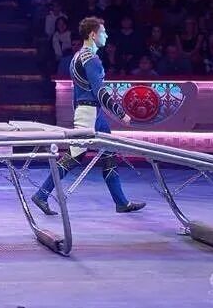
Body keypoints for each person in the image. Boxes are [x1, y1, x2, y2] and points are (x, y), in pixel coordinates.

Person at [31, 17, 145, 216]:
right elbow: (100, 92)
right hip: (90, 113)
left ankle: (121, 202)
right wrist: (121, 114)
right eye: (103, 32)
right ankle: (41, 194)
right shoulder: (91, 59)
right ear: (93, 34)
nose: (106, 35)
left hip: (89, 112)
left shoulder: (77, 57)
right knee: (75, 156)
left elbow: (80, 93)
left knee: (108, 154)